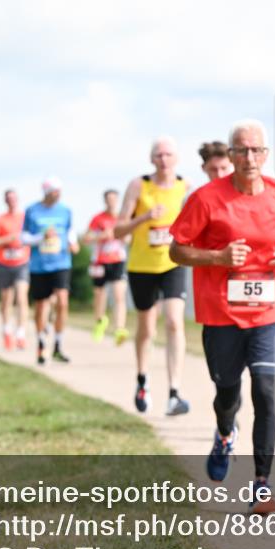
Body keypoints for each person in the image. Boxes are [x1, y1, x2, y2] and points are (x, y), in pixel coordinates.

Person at [170, 119, 275, 514]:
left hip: (269, 310)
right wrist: (218, 257)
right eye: (241, 150)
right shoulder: (207, 198)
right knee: (227, 394)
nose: (249, 158)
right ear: (230, 156)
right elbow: (177, 250)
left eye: (257, 150)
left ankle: (262, 485)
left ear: (266, 154)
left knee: (264, 390)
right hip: (221, 313)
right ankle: (225, 433)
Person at [112, 137, 190, 416]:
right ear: (151, 159)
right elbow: (118, 231)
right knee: (146, 326)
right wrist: (143, 218)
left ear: (176, 158)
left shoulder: (185, 187)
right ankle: (142, 379)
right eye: (158, 155)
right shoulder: (138, 185)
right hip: (142, 265)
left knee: (173, 321)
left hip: (172, 263)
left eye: (169, 154)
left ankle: (174, 392)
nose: (164, 159)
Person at [22, 177, 78, 365]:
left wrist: (72, 242)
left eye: (59, 191)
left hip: (61, 262)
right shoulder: (32, 210)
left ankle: (58, 346)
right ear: (46, 192)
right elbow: (24, 237)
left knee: (62, 302)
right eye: (54, 191)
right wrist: (41, 237)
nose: (58, 194)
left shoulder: (65, 210)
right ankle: (41, 343)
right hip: (39, 265)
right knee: (41, 306)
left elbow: (70, 230)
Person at [0, 189, 31, 350]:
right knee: (6, 300)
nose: (12, 201)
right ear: (5, 201)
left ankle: (21, 334)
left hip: (22, 263)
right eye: (9, 198)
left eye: (14, 198)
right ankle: (7, 331)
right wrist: (7, 239)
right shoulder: (0, 220)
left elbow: (34, 236)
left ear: (17, 200)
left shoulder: (26, 218)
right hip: (4, 264)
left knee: (21, 297)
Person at [84, 189, 130, 345]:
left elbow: (130, 237)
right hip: (100, 261)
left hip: (118, 260)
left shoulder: (123, 218)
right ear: (105, 201)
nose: (111, 202)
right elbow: (87, 238)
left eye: (114, 199)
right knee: (100, 295)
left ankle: (119, 329)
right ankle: (100, 321)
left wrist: (122, 235)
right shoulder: (97, 219)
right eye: (108, 199)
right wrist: (102, 236)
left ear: (118, 200)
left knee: (119, 295)